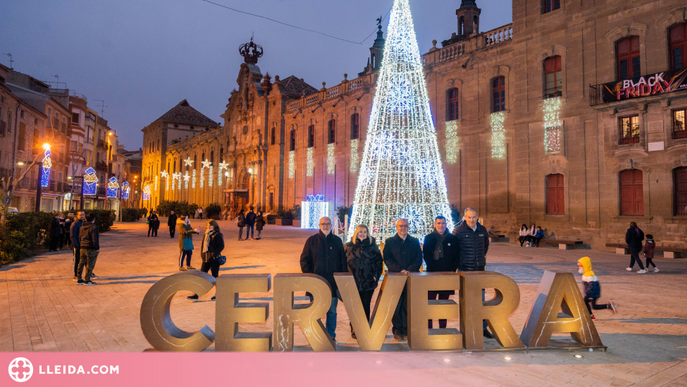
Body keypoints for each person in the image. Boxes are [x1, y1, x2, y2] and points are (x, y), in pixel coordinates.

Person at [300, 217, 347, 342]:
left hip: (332, 284)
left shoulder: (337, 241)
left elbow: (343, 261)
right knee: (315, 312)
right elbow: (304, 260)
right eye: (323, 224)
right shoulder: (311, 241)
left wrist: (341, 280)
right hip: (316, 285)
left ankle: (331, 336)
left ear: (331, 225)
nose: (325, 226)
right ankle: (317, 336)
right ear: (319, 225)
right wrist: (309, 276)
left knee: (331, 312)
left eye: (328, 224)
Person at [453, 207, 492, 338]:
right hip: (465, 270)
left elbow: (485, 247)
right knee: (467, 301)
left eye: (474, 217)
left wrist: (479, 260)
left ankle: (482, 328)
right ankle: (468, 328)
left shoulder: (482, 230)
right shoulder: (458, 231)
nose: (471, 220)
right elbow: (455, 250)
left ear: (477, 217)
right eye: (469, 217)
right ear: (465, 217)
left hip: (479, 270)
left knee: (481, 301)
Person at [383, 218, 422, 341]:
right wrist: (400, 270)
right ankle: (397, 329)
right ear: (396, 227)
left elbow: (418, 258)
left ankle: (406, 329)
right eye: (400, 226)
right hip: (395, 278)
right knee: (396, 304)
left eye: (405, 226)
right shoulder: (389, 242)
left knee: (408, 304)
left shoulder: (414, 241)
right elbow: (387, 258)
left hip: (411, 278)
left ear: (408, 227)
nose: (403, 228)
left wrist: (409, 270)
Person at [345, 224, 383, 339]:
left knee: (365, 305)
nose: (362, 234)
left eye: (365, 232)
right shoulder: (348, 246)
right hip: (353, 282)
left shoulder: (373, 246)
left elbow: (379, 263)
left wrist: (376, 276)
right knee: (355, 306)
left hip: (368, 283)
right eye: (360, 231)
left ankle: (364, 328)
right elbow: (343, 263)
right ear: (356, 233)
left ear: (368, 234)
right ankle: (355, 328)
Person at [423, 216, 460, 329]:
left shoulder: (453, 239)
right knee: (430, 303)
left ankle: (442, 328)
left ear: (446, 224)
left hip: (446, 276)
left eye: (443, 223)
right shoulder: (429, 238)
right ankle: (429, 328)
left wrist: (450, 271)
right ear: (435, 224)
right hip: (432, 276)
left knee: (443, 304)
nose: (441, 225)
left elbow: (456, 257)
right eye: (439, 223)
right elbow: (427, 256)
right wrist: (434, 272)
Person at [188, 220, 225, 301]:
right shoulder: (206, 234)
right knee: (202, 277)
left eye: (210, 225)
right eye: (208, 225)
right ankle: (196, 294)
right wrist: (202, 255)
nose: (209, 226)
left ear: (214, 226)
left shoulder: (218, 234)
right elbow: (203, 246)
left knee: (215, 277)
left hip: (213, 259)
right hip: (205, 259)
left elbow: (221, 246)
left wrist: (214, 254)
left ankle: (218, 293)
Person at [77, 213, 100, 285]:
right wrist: (97, 248)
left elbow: (79, 237)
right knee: (90, 264)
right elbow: (95, 239)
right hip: (90, 248)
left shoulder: (81, 227)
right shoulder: (94, 228)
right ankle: (87, 280)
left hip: (82, 247)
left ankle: (79, 278)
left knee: (81, 263)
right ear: (93, 220)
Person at [70, 211, 85, 281]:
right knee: (77, 260)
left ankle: (88, 273)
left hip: (84, 245)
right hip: (78, 245)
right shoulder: (75, 224)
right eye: (80, 215)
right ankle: (76, 274)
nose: (82, 216)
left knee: (84, 260)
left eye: (83, 214)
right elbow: (72, 236)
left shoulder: (84, 223)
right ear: (77, 216)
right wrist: (76, 245)